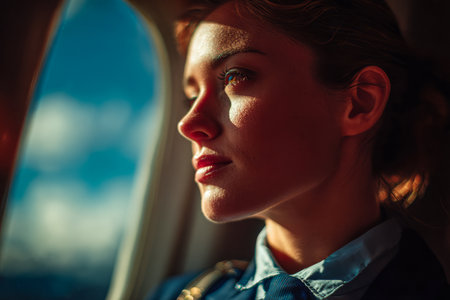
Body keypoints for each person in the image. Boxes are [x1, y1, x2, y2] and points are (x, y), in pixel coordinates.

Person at [149, 0, 450, 299]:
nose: (188, 124)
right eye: (191, 97)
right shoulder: (174, 295)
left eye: (235, 76)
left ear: (359, 103)